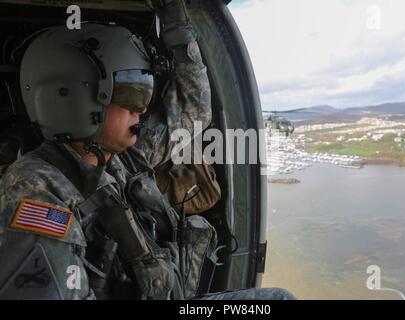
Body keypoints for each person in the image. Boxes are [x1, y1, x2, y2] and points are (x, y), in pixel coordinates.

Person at [0, 0, 295, 300]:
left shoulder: (123, 157)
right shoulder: (34, 190)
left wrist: (176, 25)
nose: (143, 107)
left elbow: (192, 112)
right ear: (72, 97)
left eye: (147, 89)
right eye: (131, 92)